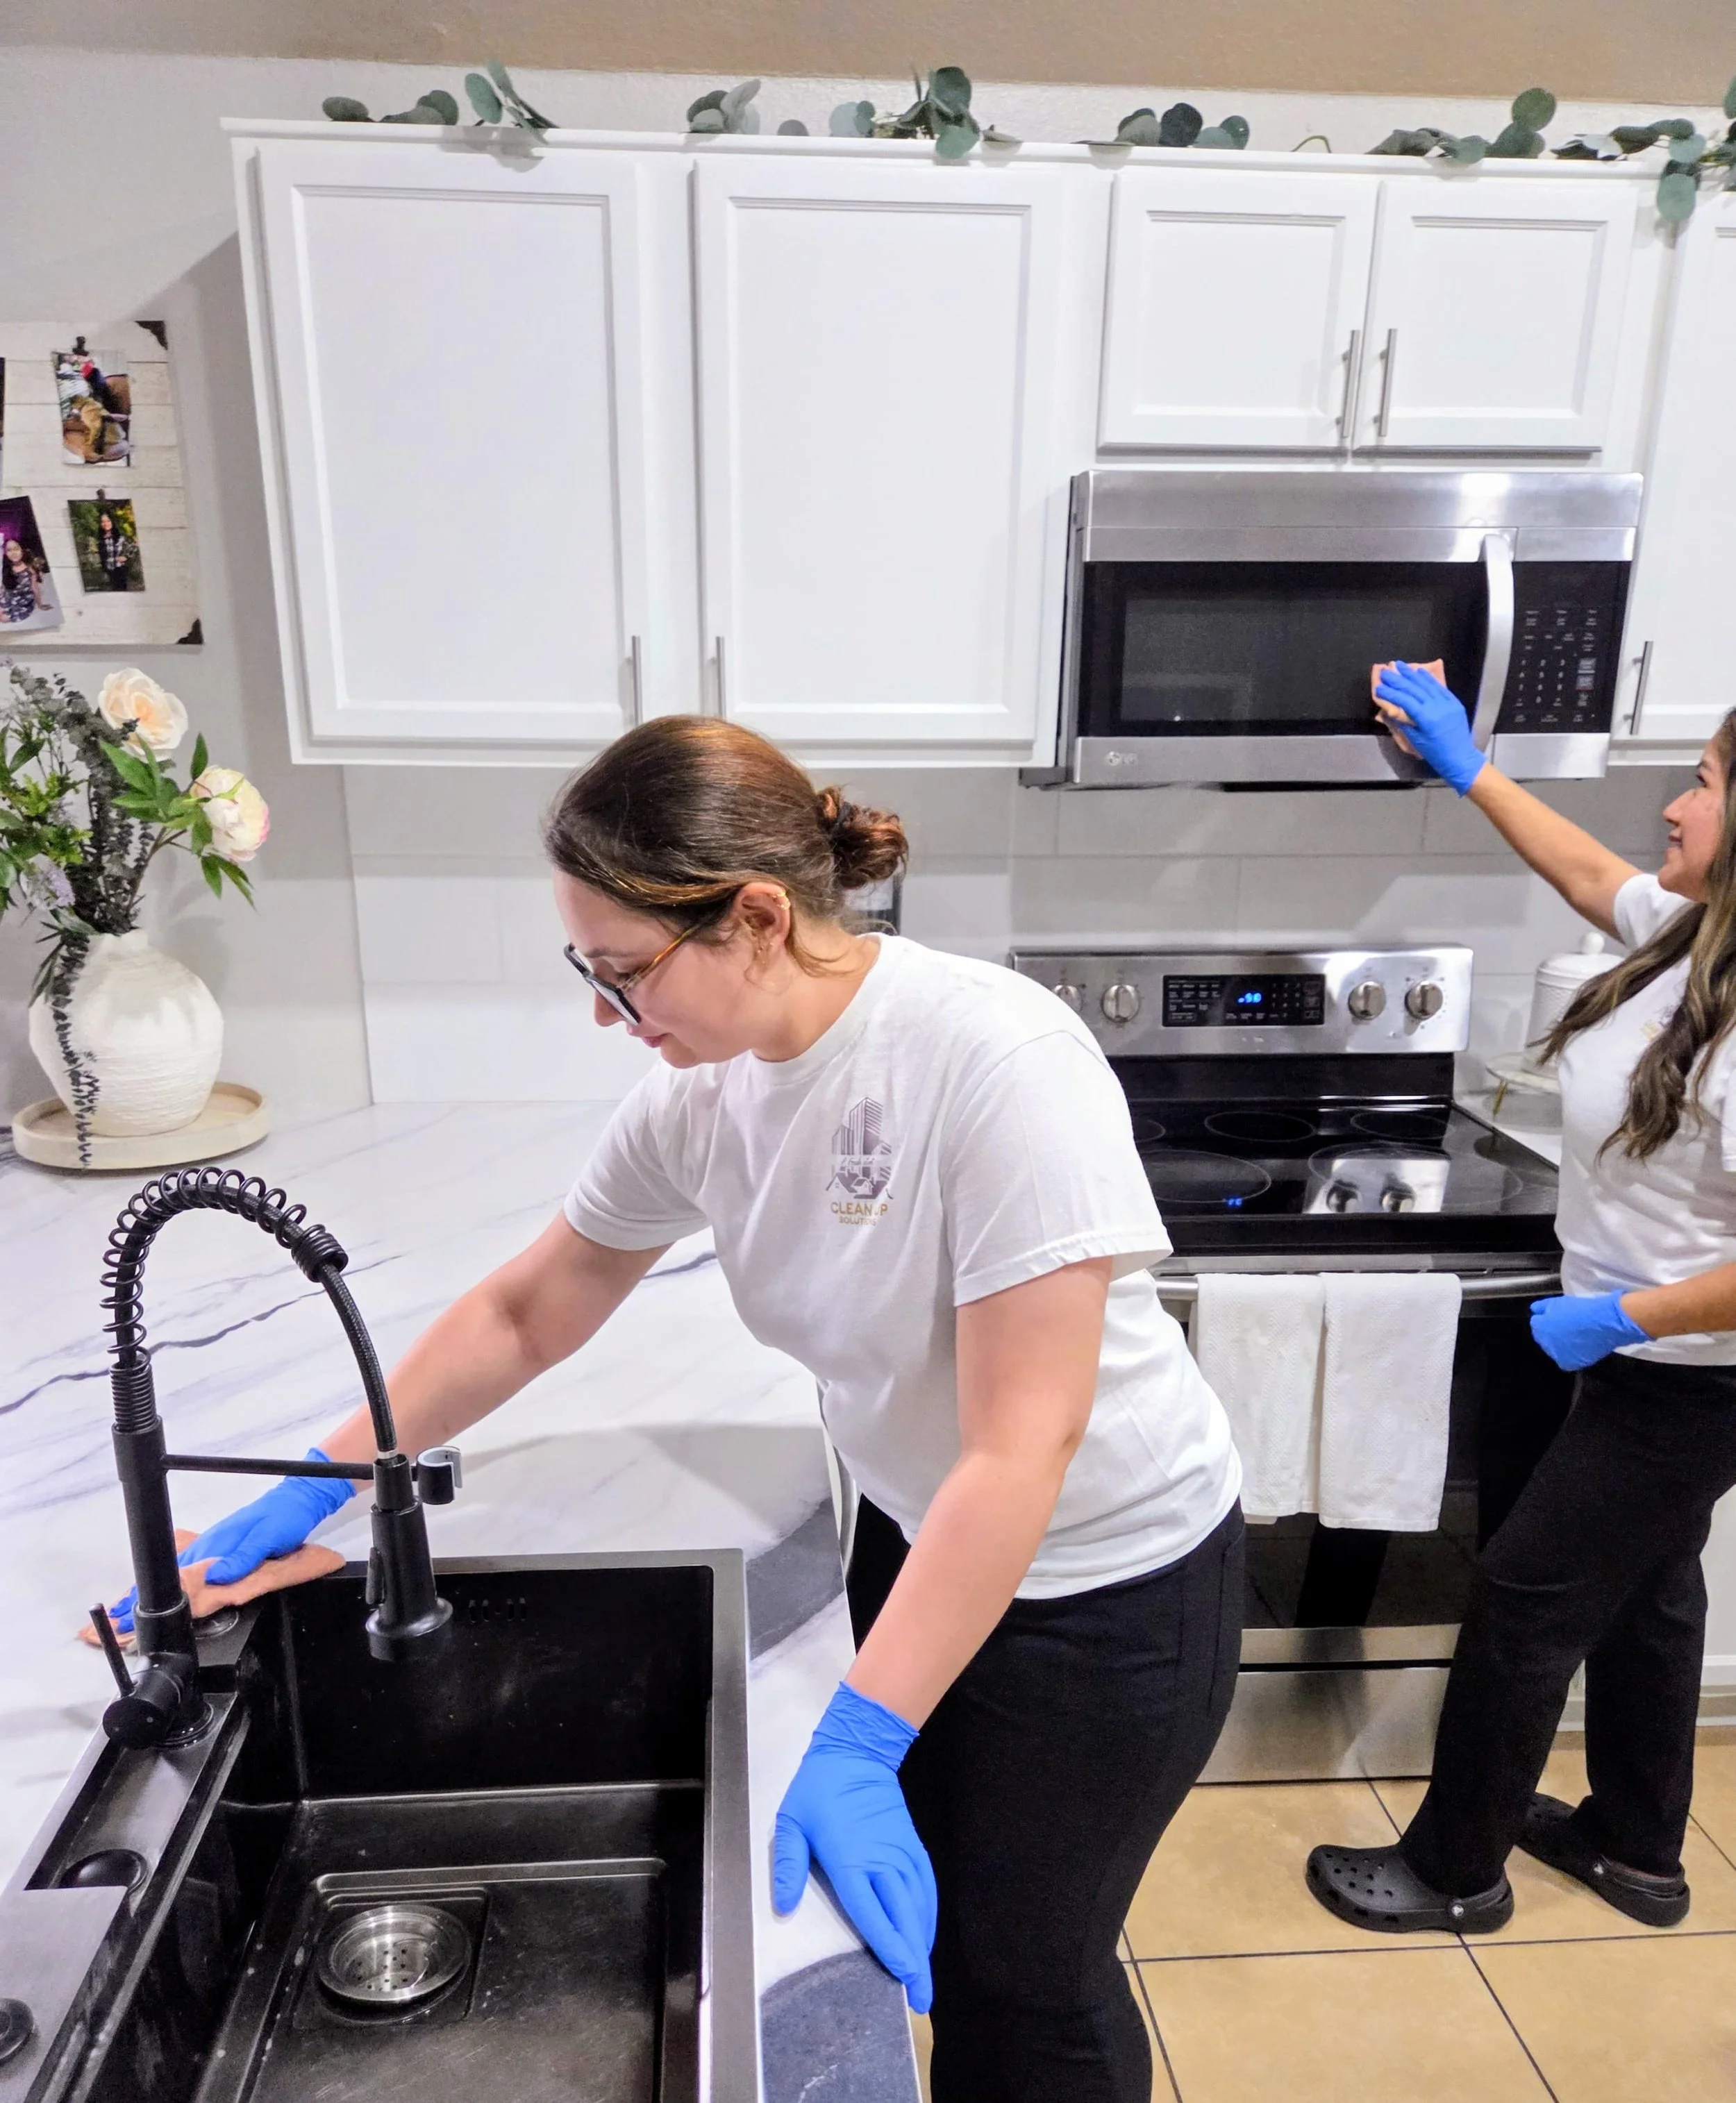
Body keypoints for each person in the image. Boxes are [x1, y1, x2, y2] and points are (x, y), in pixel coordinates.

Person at [106, 717, 1244, 2103]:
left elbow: (1023, 1446)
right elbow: (532, 1306)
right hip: (921, 1533)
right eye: (584, 966)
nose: (604, 1008)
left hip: (1104, 1591)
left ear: (756, 917)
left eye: (623, 967)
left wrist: (861, 1735)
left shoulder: (993, 1062)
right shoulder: (704, 1094)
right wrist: (319, 1475)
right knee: (954, 1924)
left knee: (1030, 1977)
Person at [1306, 662, 1736, 1936]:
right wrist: (1471, 765)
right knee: (1654, 1594)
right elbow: (1593, 877)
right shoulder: (1694, 933)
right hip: (1638, 1356)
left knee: (1522, 1606)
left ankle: (1455, 1871)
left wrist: (1624, 1319)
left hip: (1682, 1378)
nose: (1674, 804)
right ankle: (1636, 1845)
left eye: (1706, 784)